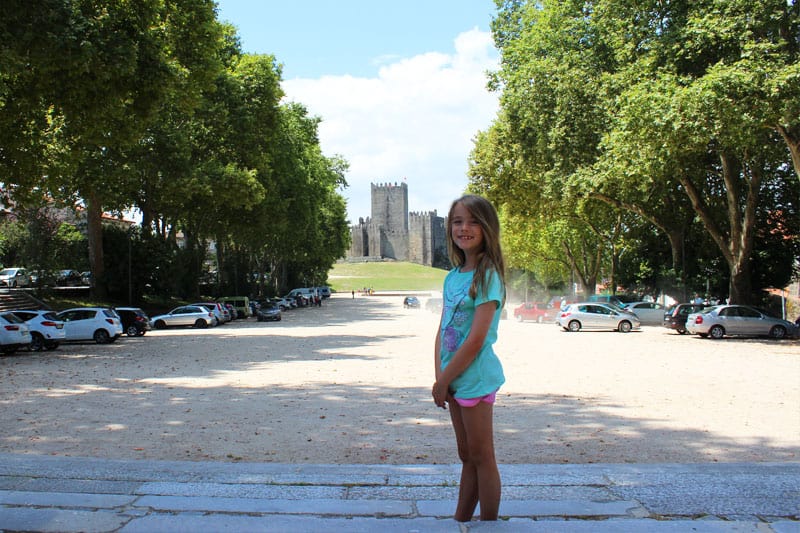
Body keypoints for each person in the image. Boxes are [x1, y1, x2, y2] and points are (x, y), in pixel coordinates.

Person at [432, 194, 506, 522]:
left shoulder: (487, 275)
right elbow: (442, 330)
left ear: (487, 227)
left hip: (474, 377)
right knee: (466, 455)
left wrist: (444, 379)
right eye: (458, 221)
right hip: (453, 380)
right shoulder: (452, 276)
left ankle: (489, 524)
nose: (464, 228)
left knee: (482, 455)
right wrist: (441, 378)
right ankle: (461, 520)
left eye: (474, 221)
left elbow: (476, 340)